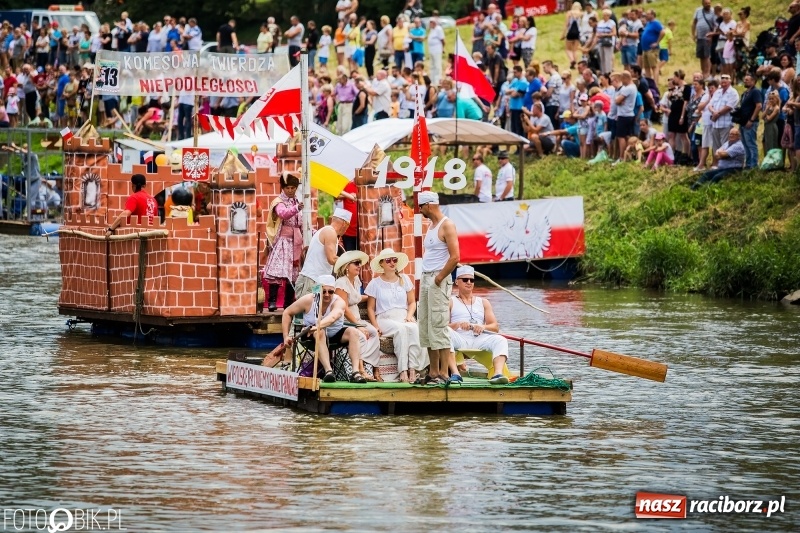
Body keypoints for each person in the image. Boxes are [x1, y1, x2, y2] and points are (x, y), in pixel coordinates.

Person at [281, 275, 367, 384]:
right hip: (310, 337)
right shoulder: (308, 299)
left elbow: (333, 317)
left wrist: (318, 326)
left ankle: (355, 372)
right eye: (323, 291)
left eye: (330, 292)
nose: (327, 294)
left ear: (334, 291)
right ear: (318, 290)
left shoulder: (339, 301)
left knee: (353, 332)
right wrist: (286, 336)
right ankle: (328, 371)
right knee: (320, 332)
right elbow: (287, 313)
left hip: (334, 335)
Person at [418, 191, 460, 385]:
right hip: (426, 277)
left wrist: (439, 278)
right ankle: (433, 371)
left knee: (439, 325)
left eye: (421, 207)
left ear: (428, 205)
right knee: (426, 325)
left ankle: (444, 372)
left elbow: (455, 257)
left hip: (437, 278)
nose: (420, 210)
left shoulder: (447, 225)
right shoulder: (430, 226)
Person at [365, 248, 425, 383]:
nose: (392, 263)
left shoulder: (404, 279)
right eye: (388, 260)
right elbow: (370, 308)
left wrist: (409, 316)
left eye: (394, 260)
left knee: (415, 329)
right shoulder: (375, 283)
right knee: (401, 329)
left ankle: (413, 369)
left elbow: (412, 302)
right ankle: (402, 370)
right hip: (385, 318)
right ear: (381, 263)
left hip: (403, 316)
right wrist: (375, 326)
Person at [447, 265, 510, 385]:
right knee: (445, 333)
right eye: (465, 280)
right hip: (460, 338)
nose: (469, 282)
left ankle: (498, 374)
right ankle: (455, 374)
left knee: (501, 340)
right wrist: (458, 324)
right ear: (457, 282)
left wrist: (483, 327)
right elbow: (443, 326)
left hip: (478, 339)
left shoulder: (483, 302)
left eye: (472, 280)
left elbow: (495, 327)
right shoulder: (450, 301)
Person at [334, 250, 382, 382]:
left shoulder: (356, 281)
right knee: (361, 335)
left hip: (356, 319)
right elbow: (344, 308)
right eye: (356, 263)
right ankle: (361, 370)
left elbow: (357, 298)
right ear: (347, 266)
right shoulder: (341, 283)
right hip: (345, 321)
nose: (359, 266)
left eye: (359, 263)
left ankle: (369, 365)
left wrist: (373, 297)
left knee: (374, 332)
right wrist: (358, 325)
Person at [262, 173, 303, 313]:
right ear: (283, 188)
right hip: (282, 241)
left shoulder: (297, 201)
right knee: (276, 271)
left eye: (293, 188)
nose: (290, 190)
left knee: (293, 274)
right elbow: (283, 214)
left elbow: (300, 222)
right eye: (287, 188)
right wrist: (297, 208)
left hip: (296, 242)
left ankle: (288, 303)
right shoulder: (278, 202)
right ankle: (272, 302)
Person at [295, 208, 351, 298]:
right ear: (345, 224)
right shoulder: (330, 232)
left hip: (316, 281)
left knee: (316, 307)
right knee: (310, 307)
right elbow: (332, 259)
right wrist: (349, 261)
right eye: (348, 226)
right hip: (311, 280)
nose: (346, 230)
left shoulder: (328, 231)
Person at [707, 73, 739, 167]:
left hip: (726, 124)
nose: (724, 80)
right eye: (722, 78)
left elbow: (729, 107)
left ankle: (724, 165)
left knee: (725, 145)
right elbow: (710, 105)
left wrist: (717, 114)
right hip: (715, 123)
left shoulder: (733, 92)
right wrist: (714, 112)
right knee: (715, 146)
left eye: (726, 78)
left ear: (730, 80)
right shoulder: (718, 92)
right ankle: (716, 164)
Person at [738, 74, 763, 170]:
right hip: (743, 122)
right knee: (745, 144)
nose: (745, 81)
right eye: (744, 80)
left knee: (751, 144)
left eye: (747, 80)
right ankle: (748, 164)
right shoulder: (745, 93)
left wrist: (752, 119)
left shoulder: (755, 91)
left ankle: (754, 165)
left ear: (753, 81)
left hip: (750, 122)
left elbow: (759, 106)